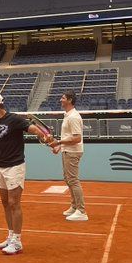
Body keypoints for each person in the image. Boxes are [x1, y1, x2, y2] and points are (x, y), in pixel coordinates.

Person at [0, 92, 52, 255]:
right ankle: (11, 236)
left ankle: (17, 241)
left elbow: (32, 128)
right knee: (5, 202)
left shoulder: (15, 119)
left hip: (15, 166)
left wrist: (44, 135)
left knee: (14, 203)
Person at [50, 91, 87, 221]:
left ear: (70, 100)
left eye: (63, 98)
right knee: (68, 179)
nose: (60, 100)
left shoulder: (73, 117)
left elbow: (77, 138)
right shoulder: (68, 116)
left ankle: (81, 211)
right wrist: (60, 147)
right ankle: (74, 206)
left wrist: (59, 142)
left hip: (73, 152)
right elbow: (69, 137)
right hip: (67, 150)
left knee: (73, 180)